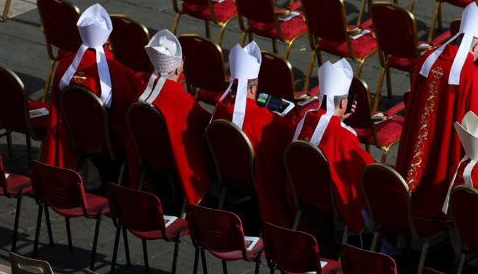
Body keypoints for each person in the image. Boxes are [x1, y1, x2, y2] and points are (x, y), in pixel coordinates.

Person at [395, 3, 478, 217]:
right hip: (444, 155)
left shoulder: (427, 60)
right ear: (475, 47)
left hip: (417, 148)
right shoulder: (471, 75)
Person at [42, 3, 140, 174]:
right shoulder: (118, 73)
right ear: (108, 40)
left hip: (74, 134)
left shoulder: (63, 67)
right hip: (109, 140)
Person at [212, 42, 295, 226]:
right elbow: (290, 134)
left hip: (228, 173)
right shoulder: (264, 118)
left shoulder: (220, 109)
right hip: (255, 177)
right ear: (252, 89)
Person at [291, 58, 372, 234]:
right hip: (333, 202)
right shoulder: (343, 137)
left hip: (303, 194)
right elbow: (364, 173)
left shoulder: (304, 119)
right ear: (343, 103)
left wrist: (340, 121)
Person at [135, 30, 212, 204]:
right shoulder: (183, 101)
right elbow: (207, 126)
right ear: (179, 67)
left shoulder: (140, 94)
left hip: (148, 159)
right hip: (175, 164)